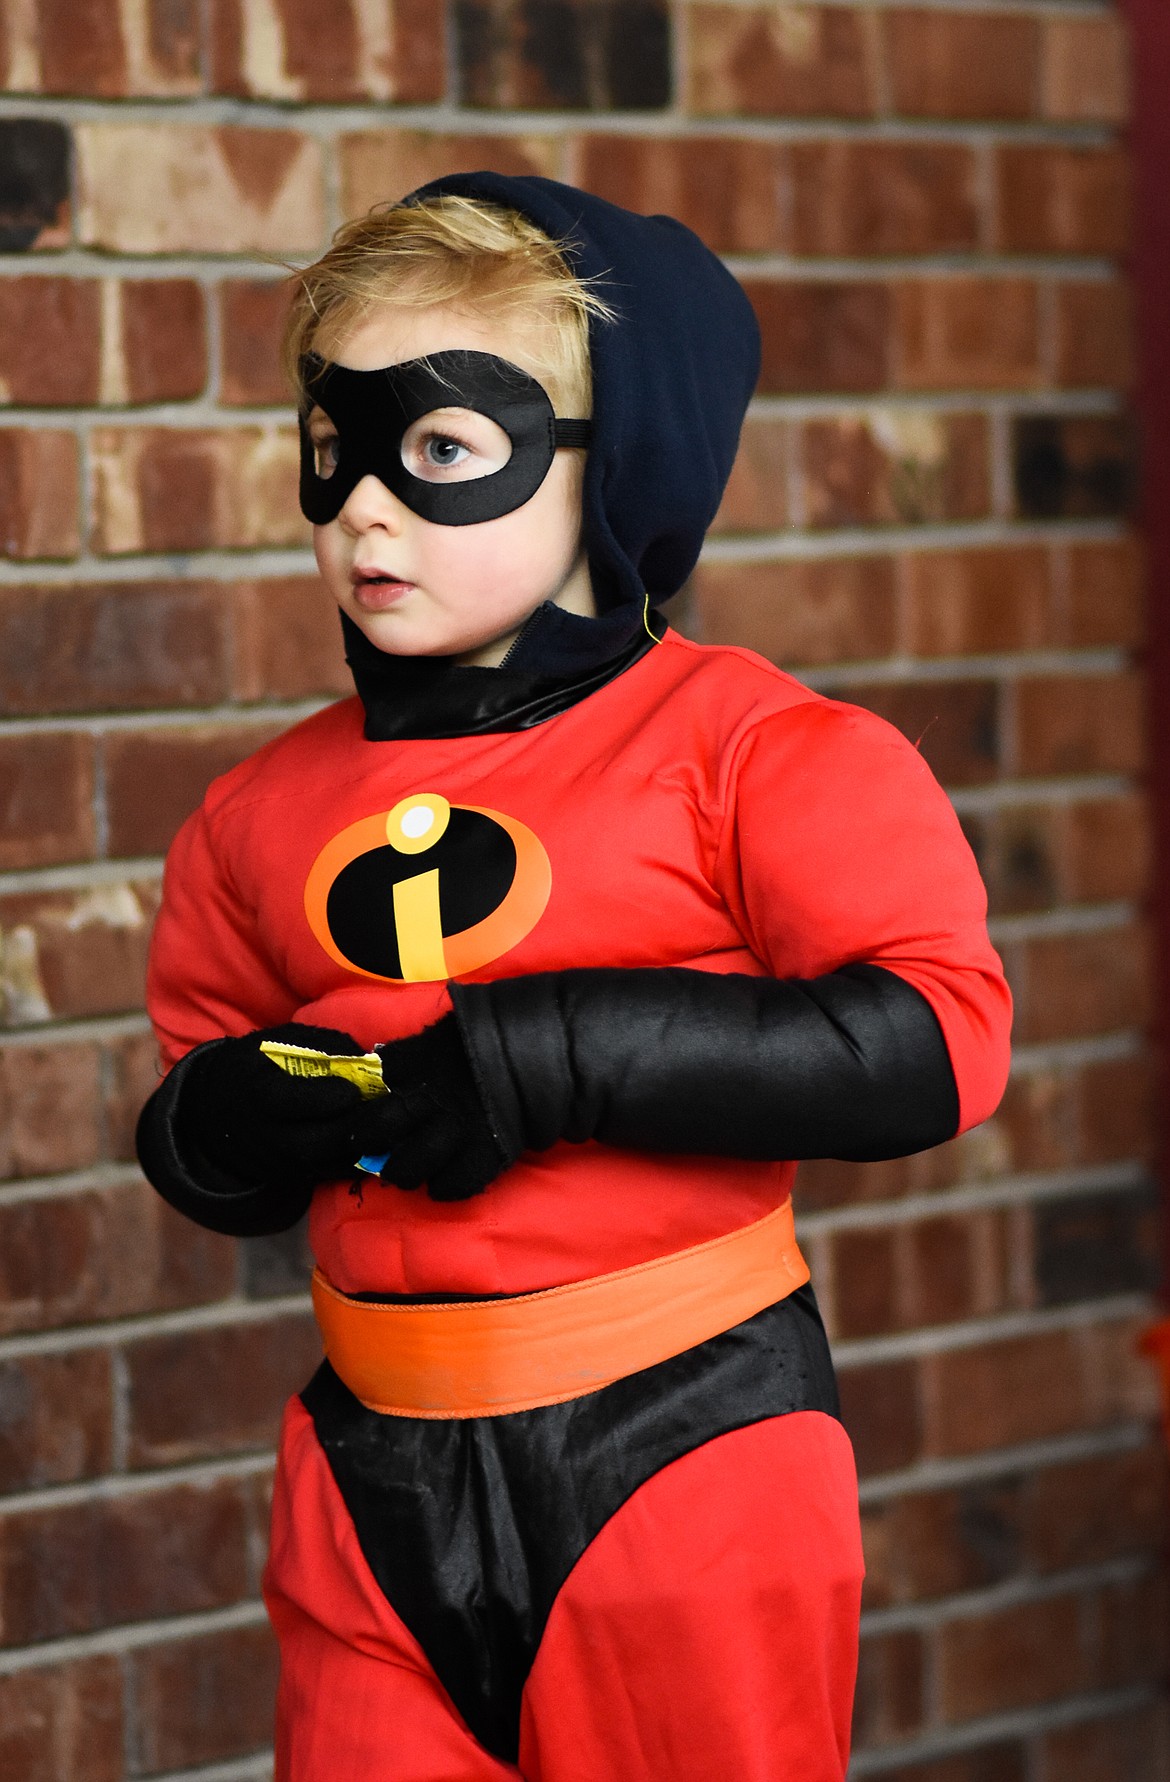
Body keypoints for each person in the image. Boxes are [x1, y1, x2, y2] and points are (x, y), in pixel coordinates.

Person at [135, 172, 1012, 1782]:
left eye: (444, 450)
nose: (364, 511)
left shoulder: (758, 752)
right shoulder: (254, 817)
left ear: (615, 471)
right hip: (364, 1474)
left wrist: (543, 1054)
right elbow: (201, 1091)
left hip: (672, 1451)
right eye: (334, 452)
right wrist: (226, 1124)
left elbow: (936, 1042)